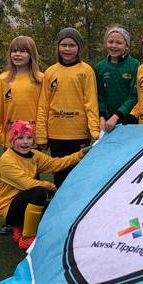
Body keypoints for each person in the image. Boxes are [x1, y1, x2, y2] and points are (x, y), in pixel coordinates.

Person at [0, 120, 87, 250]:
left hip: (23, 203)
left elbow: (57, 163)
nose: (25, 142)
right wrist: (51, 186)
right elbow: (27, 184)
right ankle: (26, 238)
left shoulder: (34, 155)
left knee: (53, 211)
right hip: (7, 208)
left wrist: (80, 154)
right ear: (12, 141)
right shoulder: (6, 160)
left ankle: (19, 226)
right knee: (39, 192)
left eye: (29, 137)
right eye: (20, 138)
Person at [35, 28, 99, 187]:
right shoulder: (50, 72)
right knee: (60, 176)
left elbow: (91, 103)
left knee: (79, 176)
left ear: (79, 48)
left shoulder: (86, 71)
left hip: (79, 134)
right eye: (64, 45)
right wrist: (41, 135)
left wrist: (95, 131)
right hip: (56, 134)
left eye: (72, 45)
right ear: (58, 47)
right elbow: (44, 105)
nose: (67, 49)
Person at [0, 36, 43, 149]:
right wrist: (2, 138)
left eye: (22, 51)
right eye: (14, 51)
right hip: (12, 139)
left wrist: (42, 137)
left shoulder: (41, 79)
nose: (17, 54)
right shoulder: (3, 79)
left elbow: (44, 111)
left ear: (31, 54)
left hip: (33, 139)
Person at [94, 26, 139, 133]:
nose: (114, 46)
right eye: (110, 42)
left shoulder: (135, 65)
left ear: (126, 46)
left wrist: (116, 116)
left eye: (119, 43)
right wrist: (102, 117)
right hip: (106, 123)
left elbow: (133, 96)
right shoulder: (100, 67)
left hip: (128, 121)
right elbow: (99, 95)